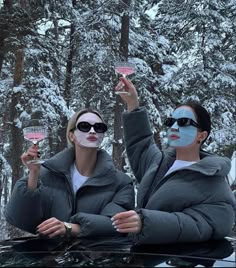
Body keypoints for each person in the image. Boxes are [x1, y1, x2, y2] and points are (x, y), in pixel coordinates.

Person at [111, 77, 236, 244]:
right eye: (171, 122)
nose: (174, 127)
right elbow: (140, 143)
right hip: (142, 255)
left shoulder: (213, 180)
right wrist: (132, 103)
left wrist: (146, 222)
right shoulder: (159, 163)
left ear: (202, 135)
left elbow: (205, 224)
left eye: (184, 122)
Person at [5, 108, 135, 240]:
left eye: (98, 127)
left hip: (97, 259)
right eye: (84, 126)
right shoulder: (48, 175)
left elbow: (118, 225)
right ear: (71, 135)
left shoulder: (121, 183)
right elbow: (20, 220)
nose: (92, 131)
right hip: (50, 258)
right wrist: (33, 174)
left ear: (102, 136)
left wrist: (70, 228)